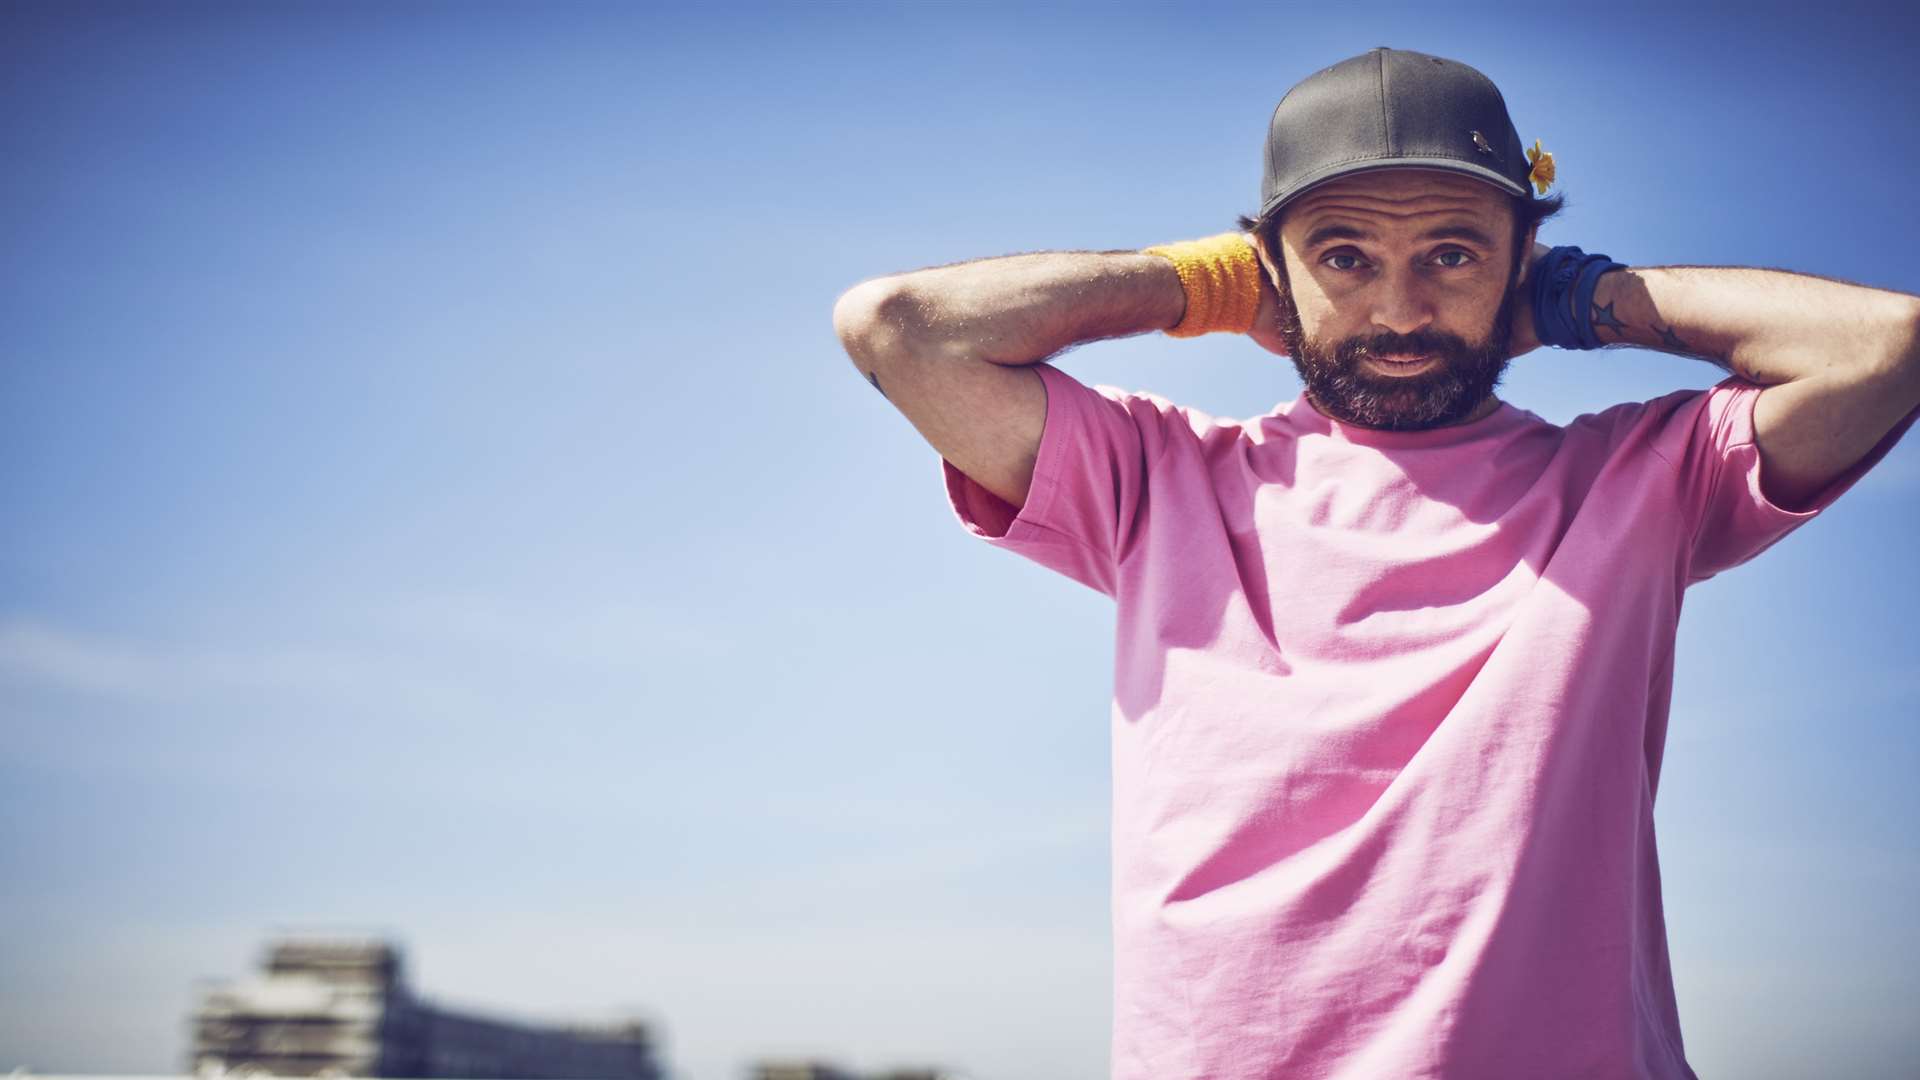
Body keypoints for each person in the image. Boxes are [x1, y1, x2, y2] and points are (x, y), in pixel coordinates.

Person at [831, 46, 1920, 1080]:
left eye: (1453, 253)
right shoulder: (1158, 480)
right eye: (1343, 256)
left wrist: (1588, 300)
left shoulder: (1642, 481)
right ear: (1270, 270)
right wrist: (1198, 287)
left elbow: (1889, 344)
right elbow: (899, 327)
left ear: (1519, 263)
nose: (1399, 310)